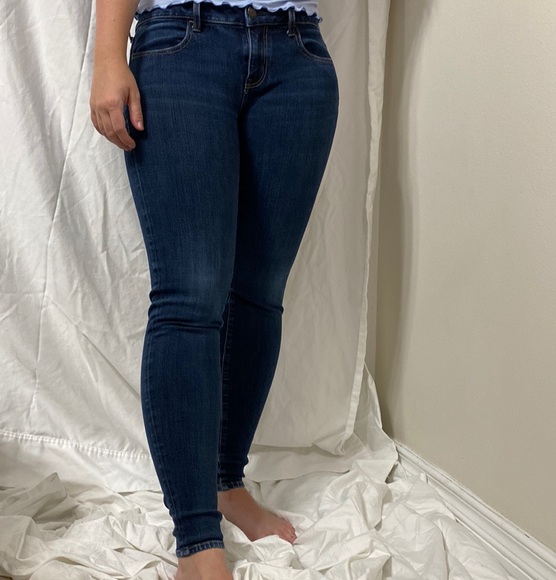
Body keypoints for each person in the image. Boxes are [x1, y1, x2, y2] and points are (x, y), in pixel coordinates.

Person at [90, 0, 338, 578]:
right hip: (183, 40)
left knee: (259, 293)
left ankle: (227, 483)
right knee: (190, 297)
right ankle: (197, 537)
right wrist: (107, 57)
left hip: (298, 51)